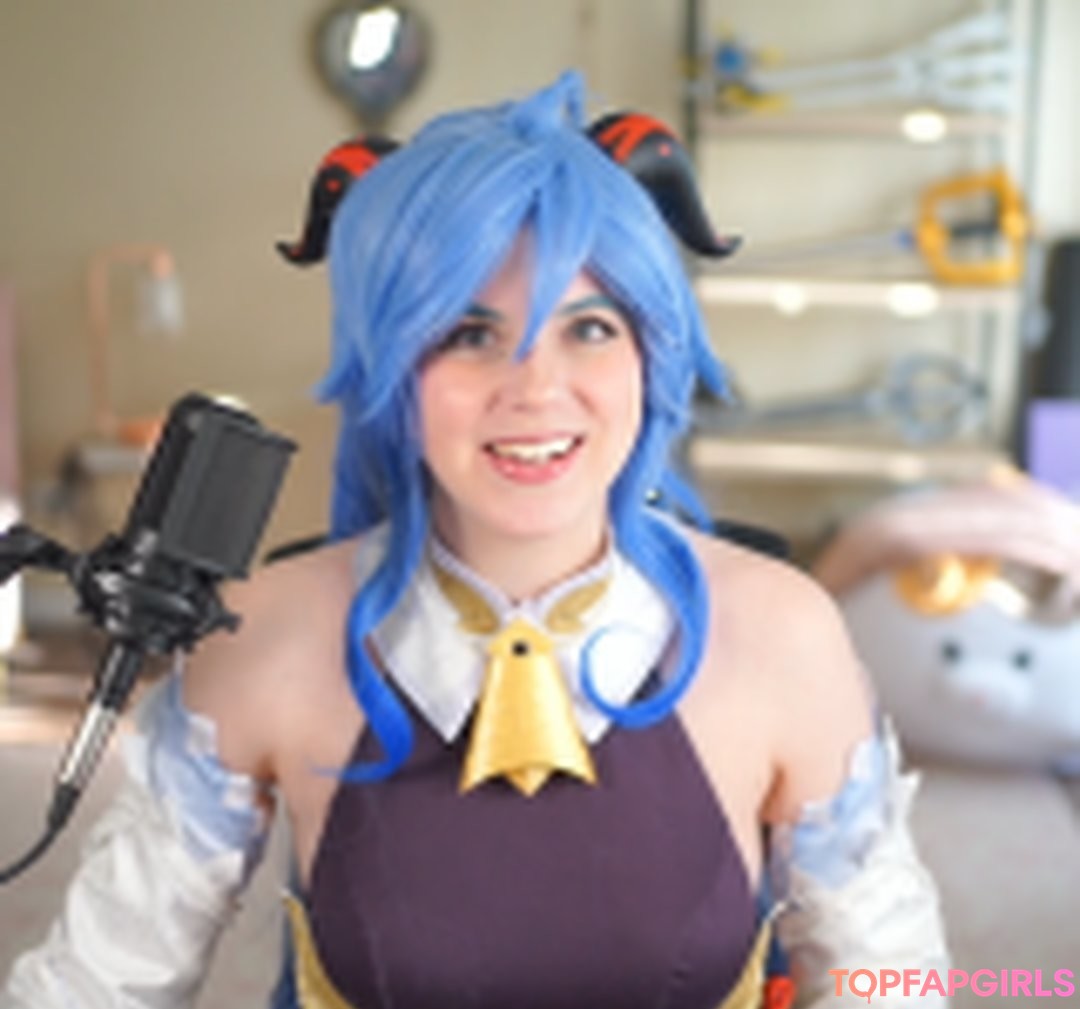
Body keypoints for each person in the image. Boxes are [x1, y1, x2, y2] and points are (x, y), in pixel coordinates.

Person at [2, 71, 948, 1009]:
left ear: (649, 353)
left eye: (588, 327)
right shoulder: (263, 637)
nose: (536, 389)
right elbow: (95, 985)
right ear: (388, 367)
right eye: (467, 333)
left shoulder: (782, 632)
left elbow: (892, 981)